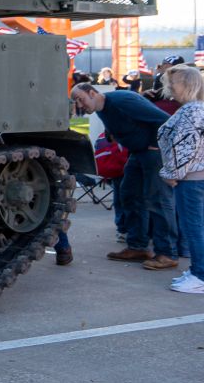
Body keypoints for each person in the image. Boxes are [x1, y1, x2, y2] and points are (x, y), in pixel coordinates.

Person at [71, 81, 180, 269]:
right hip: (137, 153)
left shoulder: (121, 100)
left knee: (158, 200)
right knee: (129, 194)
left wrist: (154, 145)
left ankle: (167, 253)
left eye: (80, 99)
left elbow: (165, 120)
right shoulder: (102, 108)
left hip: (153, 153)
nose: (79, 105)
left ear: (92, 93)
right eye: (76, 101)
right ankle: (138, 247)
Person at [157, 66, 204, 294]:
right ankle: (197, 271)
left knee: (192, 228)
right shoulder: (202, 107)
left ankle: (201, 277)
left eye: (173, 83)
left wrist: (171, 174)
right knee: (196, 227)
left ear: (188, 84)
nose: (169, 88)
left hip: (193, 178)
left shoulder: (192, 111)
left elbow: (184, 148)